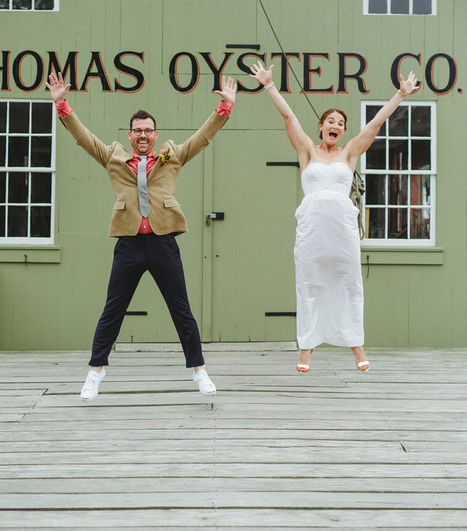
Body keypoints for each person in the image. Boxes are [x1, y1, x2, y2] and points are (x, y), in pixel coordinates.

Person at [46, 71, 237, 400]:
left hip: (164, 242)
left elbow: (202, 138)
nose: (143, 135)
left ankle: (200, 372)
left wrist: (224, 108)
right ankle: (95, 372)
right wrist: (62, 104)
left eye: (148, 130)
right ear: (130, 135)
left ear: (155, 133)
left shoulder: (172, 155)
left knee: (182, 310)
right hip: (130, 243)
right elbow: (83, 137)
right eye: (138, 131)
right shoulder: (113, 157)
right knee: (113, 309)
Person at [249, 61, 418, 373]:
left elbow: (376, 124)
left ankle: (357, 346)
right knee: (309, 284)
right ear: (321, 126)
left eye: (340, 122)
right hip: (312, 230)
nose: (335, 124)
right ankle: (306, 349)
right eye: (330, 120)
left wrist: (400, 95)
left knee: (348, 284)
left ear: (343, 129)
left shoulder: (350, 152)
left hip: (342, 231)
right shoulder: (306, 152)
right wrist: (269, 85)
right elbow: (288, 116)